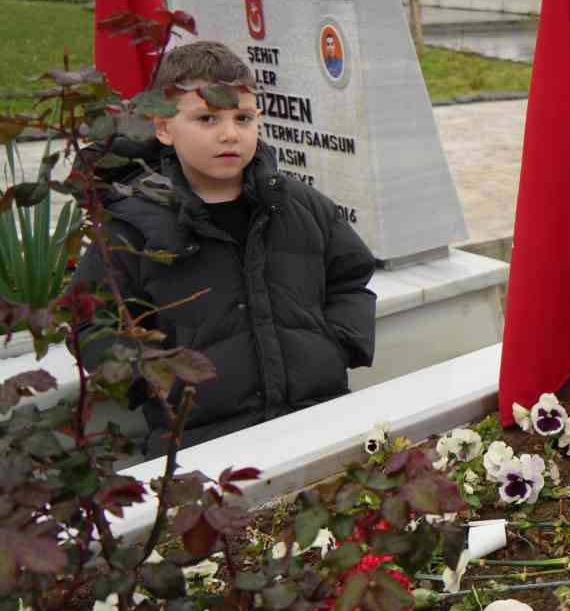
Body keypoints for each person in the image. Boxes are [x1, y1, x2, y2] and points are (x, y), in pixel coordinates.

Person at [73, 41, 377, 456]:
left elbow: (350, 276)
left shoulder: (301, 206)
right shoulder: (132, 226)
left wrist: (338, 343)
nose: (229, 133)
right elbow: (91, 321)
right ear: (163, 127)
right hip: (200, 447)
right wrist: (156, 379)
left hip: (317, 422)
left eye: (243, 117)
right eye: (207, 118)